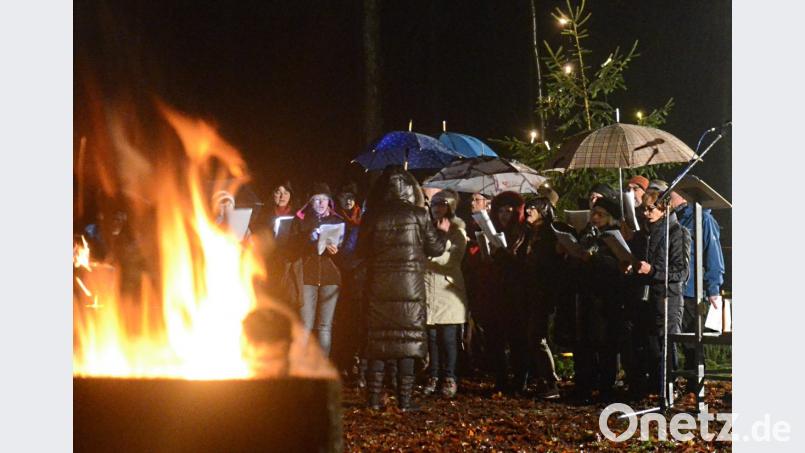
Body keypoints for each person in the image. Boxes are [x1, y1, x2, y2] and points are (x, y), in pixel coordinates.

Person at [358, 166, 449, 411]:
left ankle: (374, 399)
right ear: (410, 189)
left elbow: (360, 250)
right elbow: (436, 249)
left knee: (378, 343)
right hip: (409, 289)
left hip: (379, 286)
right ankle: (405, 401)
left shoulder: (373, 215)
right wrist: (442, 232)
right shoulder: (419, 215)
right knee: (407, 342)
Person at [566, 196, 629, 402]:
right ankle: (584, 385)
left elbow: (620, 265)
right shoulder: (588, 235)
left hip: (606, 298)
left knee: (605, 345)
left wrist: (595, 258)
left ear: (610, 217)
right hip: (585, 295)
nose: (594, 217)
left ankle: (606, 388)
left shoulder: (615, 236)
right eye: (593, 213)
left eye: (600, 214)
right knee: (583, 343)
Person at [631, 188, 691, 396]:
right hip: (646, 295)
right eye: (643, 209)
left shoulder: (677, 233)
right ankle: (654, 384)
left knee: (665, 341)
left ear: (664, 209)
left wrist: (653, 270)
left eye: (650, 209)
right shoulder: (643, 235)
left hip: (667, 297)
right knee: (649, 342)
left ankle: (669, 387)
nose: (646, 213)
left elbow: (682, 272)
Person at [287, 183, 346, 357]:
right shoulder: (301, 220)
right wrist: (308, 238)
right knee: (305, 324)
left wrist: (336, 251)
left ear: (330, 202)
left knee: (325, 326)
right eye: (316, 199)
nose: (320, 203)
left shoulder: (337, 221)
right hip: (307, 276)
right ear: (310, 202)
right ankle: (302, 366)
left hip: (330, 278)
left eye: (324, 199)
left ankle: (322, 369)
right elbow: (291, 248)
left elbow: (346, 255)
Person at [669, 190, 725, 371]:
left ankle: (695, 383)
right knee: (676, 338)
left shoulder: (703, 219)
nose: (668, 196)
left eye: (672, 193)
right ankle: (677, 379)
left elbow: (713, 255)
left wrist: (713, 289)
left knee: (692, 340)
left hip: (692, 290)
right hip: (673, 288)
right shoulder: (671, 220)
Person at [422, 189, 468, 399]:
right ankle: (434, 375)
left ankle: (449, 377)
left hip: (447, 291)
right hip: (428, 289)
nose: (437, 208)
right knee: (432, 337)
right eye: (435, 204)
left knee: (447, 338)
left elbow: (450, 259)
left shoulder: (458, 230)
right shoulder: (427, 227)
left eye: (442, 204)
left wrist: (440, 237)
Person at [484, 191, 530, 394]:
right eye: (500, 211)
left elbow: (523, 265)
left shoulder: (523, 233)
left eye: (509, 211)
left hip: (517, 293)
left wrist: (502, 254)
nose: (504, 215)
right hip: (494, 291)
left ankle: (520, 379)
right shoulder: (491, 231)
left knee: (517, 338)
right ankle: (501, 379)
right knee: (495, 337)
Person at [523, 196, 561, 399]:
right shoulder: (530, 234)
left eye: (534, 208)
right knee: (534, 337)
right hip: (532, 291)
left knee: (539, 337)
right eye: (528, 207)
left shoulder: (549, 236)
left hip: (544, 293)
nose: (528, 210)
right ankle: (542, 378)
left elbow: (550, 267)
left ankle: (550, 380)